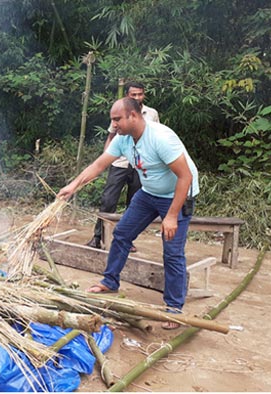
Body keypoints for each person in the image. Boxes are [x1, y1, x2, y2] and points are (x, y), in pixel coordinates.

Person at [58, 97, 199, 329]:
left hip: (177, 194)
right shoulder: (123, 139)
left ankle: (174, 308)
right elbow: (98, 165)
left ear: (133, 116)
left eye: (117, 119)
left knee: (172, 251)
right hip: (149, 193)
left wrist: (172, 215)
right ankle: (110, 281)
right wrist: (73, 186)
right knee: (122, 233)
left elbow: (186, 177)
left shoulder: (161, 138)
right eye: (112, 120)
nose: (114, 125)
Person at [88, 81, 160, 252]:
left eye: (140, 94)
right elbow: (112, 136)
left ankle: (127, 239)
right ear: (127, 95)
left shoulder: (152, 114)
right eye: (133, 94)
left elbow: (155, 137)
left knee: (134, 203)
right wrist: (106, 158)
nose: (137, 97)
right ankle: (98, 237)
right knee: (108, 201)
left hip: (140, 165)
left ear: (144, 94)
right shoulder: (119, 111)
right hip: (119, 162)